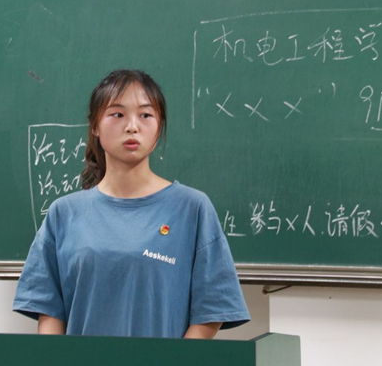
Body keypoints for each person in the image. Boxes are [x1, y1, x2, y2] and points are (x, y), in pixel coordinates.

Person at [13, 70, 250, 338]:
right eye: (117, 114)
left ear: (159, 127)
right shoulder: (64, 213)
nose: (132, 127)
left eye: (145, 115)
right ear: (95, 125)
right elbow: (49, 312)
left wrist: (178, 359)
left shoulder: (192, 208)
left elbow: (212, 310)